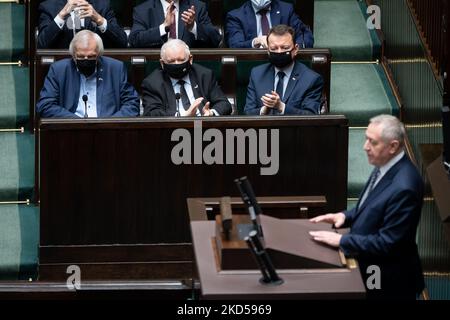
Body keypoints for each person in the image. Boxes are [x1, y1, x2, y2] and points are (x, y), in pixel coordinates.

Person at [310, 115, 425, 300]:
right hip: (373, 271)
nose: (365, 147)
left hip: (390, 281)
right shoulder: (385, 164)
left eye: (372, 142)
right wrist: (345, 216)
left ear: (393, 146)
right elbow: (373, 207)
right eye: (366, 138)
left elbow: (387, 243)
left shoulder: (405, 187)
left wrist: (341, 241)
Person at [36, 30, 140, 118]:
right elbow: (45, 105)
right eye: (81, 57)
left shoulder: (115, 68)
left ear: (99, 54)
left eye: (91, 57)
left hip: (109, 132)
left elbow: (132, 104)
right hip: (71, 131)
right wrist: (76, 123)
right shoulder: (59, 70)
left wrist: (109, 124)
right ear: (73, 55)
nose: (86, 60)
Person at [244, 24, 323, 115]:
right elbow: (248, 112)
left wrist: (281, 107)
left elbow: (311, 116)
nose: (279, 52)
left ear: (295, 49)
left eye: (285, 48)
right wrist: (264, 110)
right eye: (274, 48)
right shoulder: (257, 74)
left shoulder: (311, 79)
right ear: (268, 51)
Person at [141, 39, 232, 117]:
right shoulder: (152, 83)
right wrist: (182, 117)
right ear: (162, 63)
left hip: (204, 129)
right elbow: (152, 114)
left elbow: (224, 104)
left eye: (181, 60)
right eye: (171, 61)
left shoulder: (204, 75)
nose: (177, 64)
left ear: (190, 59)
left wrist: (210, 113)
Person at [129, 0, 221, 48]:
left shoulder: (197, 7)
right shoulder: (143, 10)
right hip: (158, 68)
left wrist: (193, 27)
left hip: (190, 66)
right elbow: (134, 41)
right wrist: (163, 27)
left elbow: (215, 39)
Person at [37, 0, 128, 49]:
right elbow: (41, 44)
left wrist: (99, 19)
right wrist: (61, 16)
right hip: (62, 66)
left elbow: (122, 42)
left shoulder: (102, 5)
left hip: (95, 63)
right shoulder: (48, 6)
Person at [225, 0, 313, 49]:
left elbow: (304, 34)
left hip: (284, 58)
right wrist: (255, 42)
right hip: (254, 62)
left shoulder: (286, 9)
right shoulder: (236, 16)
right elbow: (235, 45)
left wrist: (294, 48)